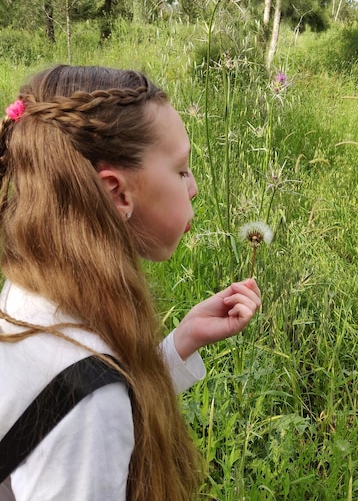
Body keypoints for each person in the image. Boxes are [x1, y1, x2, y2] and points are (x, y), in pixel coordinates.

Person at [0, 65, 261, 501]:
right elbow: (85, 398)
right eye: (181, 171)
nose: (194, 187)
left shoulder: (34, 290)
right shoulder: (89, 411)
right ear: (117, 194)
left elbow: (86, 384)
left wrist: (182, 340)